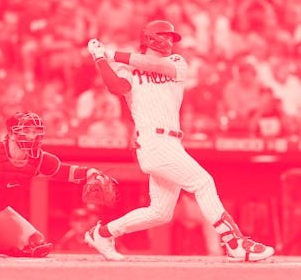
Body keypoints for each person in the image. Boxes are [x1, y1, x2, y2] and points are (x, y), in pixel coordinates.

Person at [84, 20, 275, 262]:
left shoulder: (176, 62)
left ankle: (102, 234)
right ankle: (234, 242)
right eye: (166, 36)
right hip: (153, 140)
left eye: (172, 37)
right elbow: (115, 86)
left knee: (160, 213)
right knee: (203, 182)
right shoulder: (128, 70)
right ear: (151, 38)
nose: (171, 41)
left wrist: (111, 53)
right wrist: (100, 59)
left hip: (172, 141)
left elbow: (153, 64)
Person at [0, 111, 114, 257]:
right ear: (12, 134)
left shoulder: (39, 159)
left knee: (35, 244)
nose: (32, 136)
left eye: (36, 132)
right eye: (26, 131)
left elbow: (65, 171)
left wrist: (90, 173)